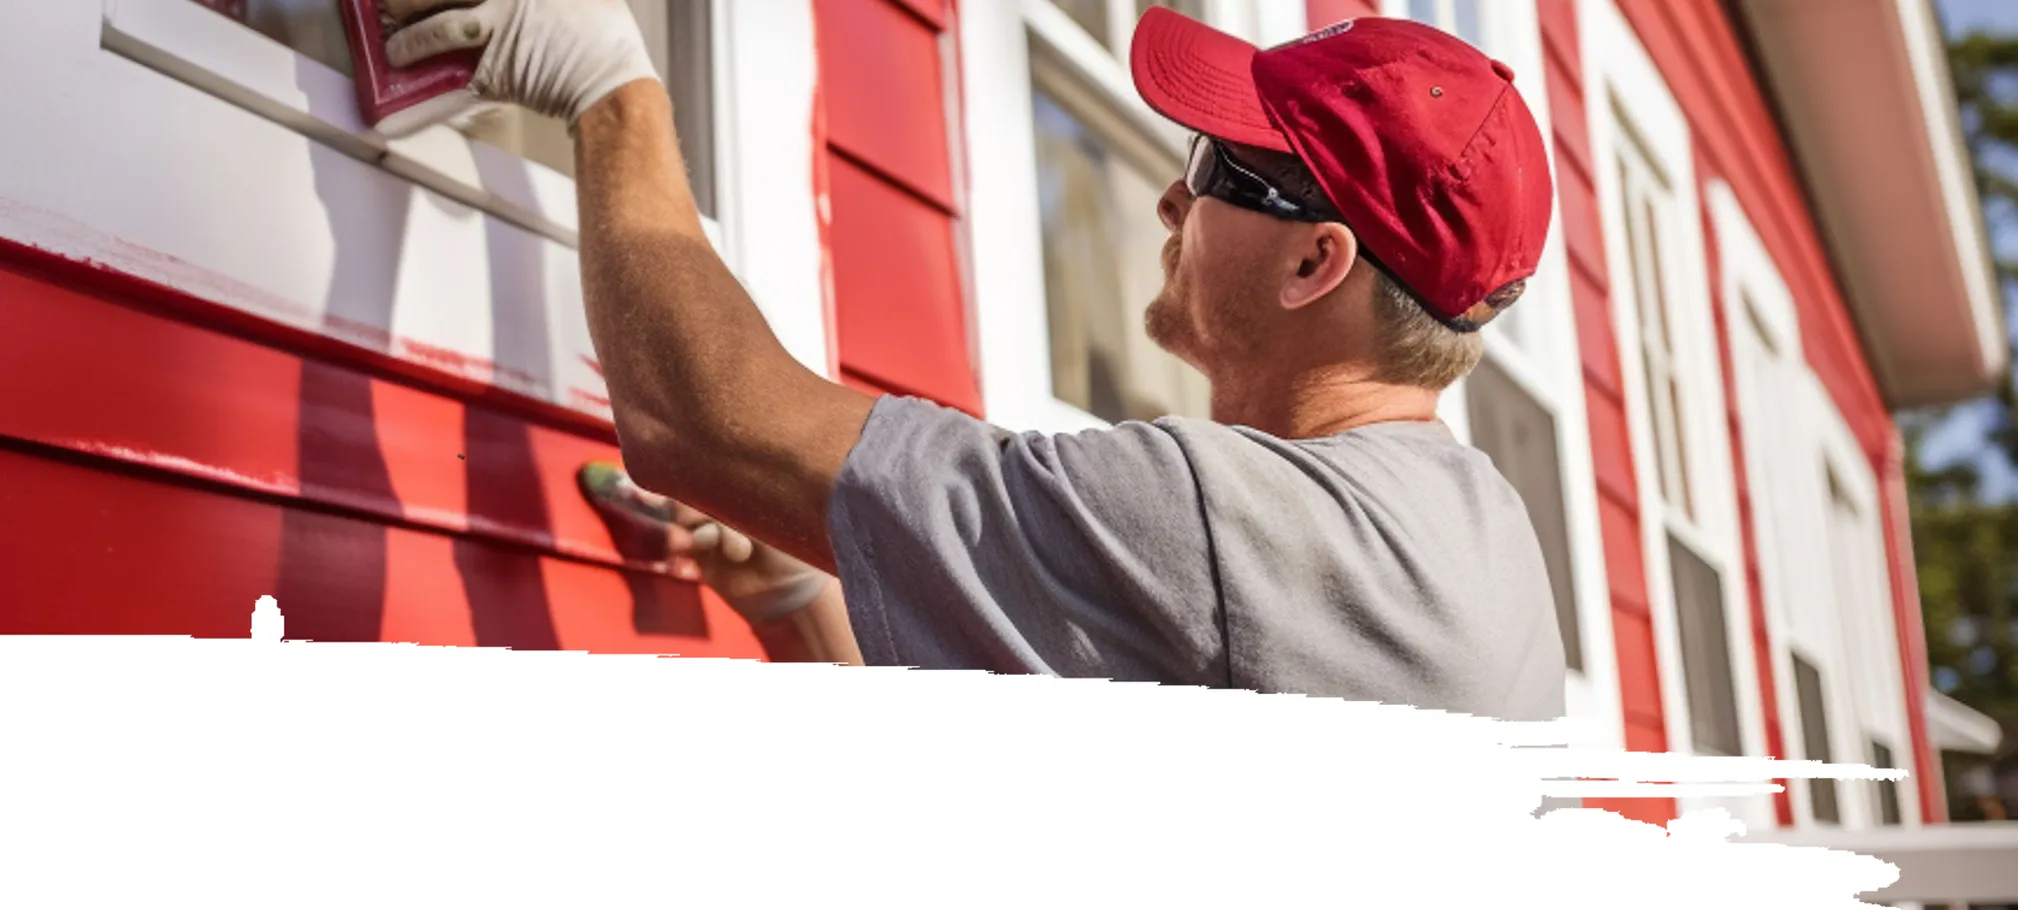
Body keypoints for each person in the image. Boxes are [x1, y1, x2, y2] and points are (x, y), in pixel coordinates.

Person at [382, 0, 1567, 720]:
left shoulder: (1224, 527)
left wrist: (609, 92)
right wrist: (805, 605)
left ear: (1315, 264)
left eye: (1213, 165)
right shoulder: (1482, 538)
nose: (1168, 195)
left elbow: (697, 419)